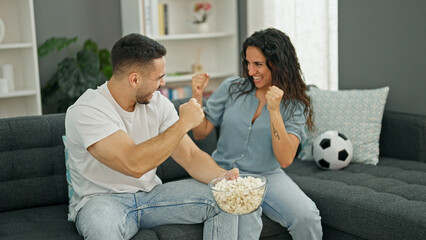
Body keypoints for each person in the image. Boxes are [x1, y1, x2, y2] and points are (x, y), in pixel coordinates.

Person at [65, 33, 263, 240]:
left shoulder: (157, 104)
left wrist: (224, 179)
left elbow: (190, 156)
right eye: (158, 78)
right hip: (102, 201)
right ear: (134, 79)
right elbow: (133, 163)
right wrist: (183, 123)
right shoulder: (87, 110)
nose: (163, 83)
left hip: (151, 196)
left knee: (227, 198)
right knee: (102, 231)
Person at [191, 28, 323, 239]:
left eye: (258, 64)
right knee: (245, 217)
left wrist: (274, 111)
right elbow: (200, 132)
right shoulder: (233, 87)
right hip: (223, 173)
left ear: (278, 63)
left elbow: (286, 158)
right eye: (248, 63)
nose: (251, 71)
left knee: (308, 216)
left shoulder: (295, 105)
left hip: (267, 176)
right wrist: (197, 96)